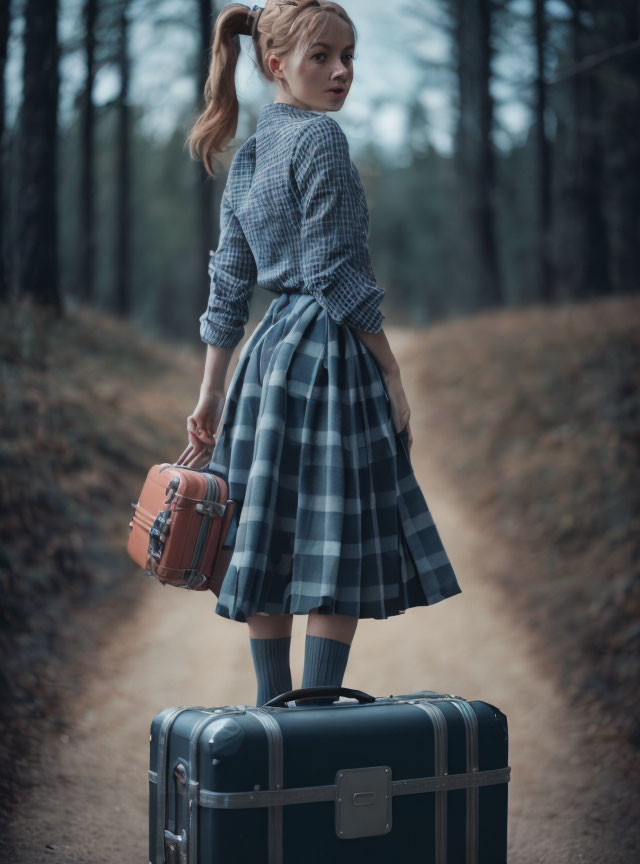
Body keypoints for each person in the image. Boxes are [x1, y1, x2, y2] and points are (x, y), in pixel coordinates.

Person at [177, 0, 462, 708]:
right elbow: (337, 275)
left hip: (268, 360)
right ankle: (317, 716)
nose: (342, 72)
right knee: (336, 537)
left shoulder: (248, 157)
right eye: (322, 57)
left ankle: (272, 711)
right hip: (329, 355)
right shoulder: (321, 143)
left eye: (349, 56)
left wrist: (211, 392)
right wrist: (392, 370)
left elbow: (229, 288)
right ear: (276, 64)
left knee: (269, 532)